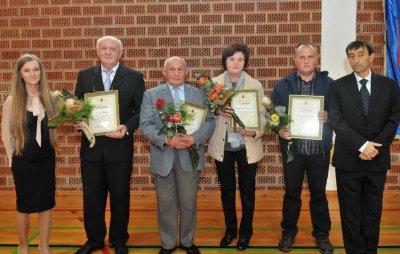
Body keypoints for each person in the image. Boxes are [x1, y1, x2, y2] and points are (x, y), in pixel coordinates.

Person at [74, 36, 145, 254]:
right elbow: (77, 105)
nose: (107, 52)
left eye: (112, 49)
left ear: (120, 53)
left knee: (120, 196)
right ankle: (94, 240)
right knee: (92, 197)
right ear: (97, 52)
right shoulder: (85, 76)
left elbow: (141, 110)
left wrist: (127, 127)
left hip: (120, 147)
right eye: (103, 48)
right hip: (92, 148)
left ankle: (119, 240)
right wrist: (78, 119)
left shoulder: (134, 77)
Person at [329, 40, 400, 254]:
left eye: (360, 54)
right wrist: (362, 145)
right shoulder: (338, 86)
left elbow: (394, 118)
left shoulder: (389, 85)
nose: (356, 60)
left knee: (372, 212)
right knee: (350, 213)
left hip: (377, 160)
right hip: (348, 160)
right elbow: (336, 120)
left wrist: (374, 147)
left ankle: (371, 251)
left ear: (371, 57)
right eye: (351, 55)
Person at [140, 56, 215, 254]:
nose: (175, 73)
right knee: (165, 203)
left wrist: (194, 138)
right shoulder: (151, 94)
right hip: (163, 155)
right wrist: (167, 139)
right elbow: (145, 125)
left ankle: (188, 241)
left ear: (186, 72)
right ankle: (168, 243)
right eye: (171, 69)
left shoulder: (198, 94)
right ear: (163, 73)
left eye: (180, 69)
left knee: (189, 203)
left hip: (189, 155)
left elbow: (209, 122)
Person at [271, 42, 334, 253]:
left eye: (310, 57)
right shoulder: (283, 85)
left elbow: (340, 113)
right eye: (302, 57)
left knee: (319, 195)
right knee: (291, 194)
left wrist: (329, 117)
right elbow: (273, 116)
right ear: (295, 61)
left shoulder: (329, 85)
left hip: (319, 152)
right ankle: (288, 233)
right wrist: (279, 129)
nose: (306, 61)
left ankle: (322, 234)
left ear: (317, 60)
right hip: (293, 152)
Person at [207, 43, 265, 251]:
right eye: (232, 59)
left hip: (247, 145)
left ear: (245, 62)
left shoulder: (255, 85)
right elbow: (206, 115)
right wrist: (217, 112)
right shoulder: (214, 84)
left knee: (247, 191)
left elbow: (263, 116)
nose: (236, 63)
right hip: (223, 145)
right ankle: (230, 229)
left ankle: (245, 232)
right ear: (225, 61)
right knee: (227, 189)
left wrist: (255, 131)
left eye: (240, 59)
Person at [1, 54, 57, 254]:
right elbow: (6, 134)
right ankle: (23, 246)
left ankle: (44, 245)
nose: (32, 74)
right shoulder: (12, 100)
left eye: (36, 69)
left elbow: (60, 121)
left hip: (47, 158)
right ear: (20, 74)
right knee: (24, 206)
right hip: (23, 161)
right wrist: (12, 159)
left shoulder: (50, 98)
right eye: (27, 70)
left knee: (47, 204)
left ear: (41, 72)